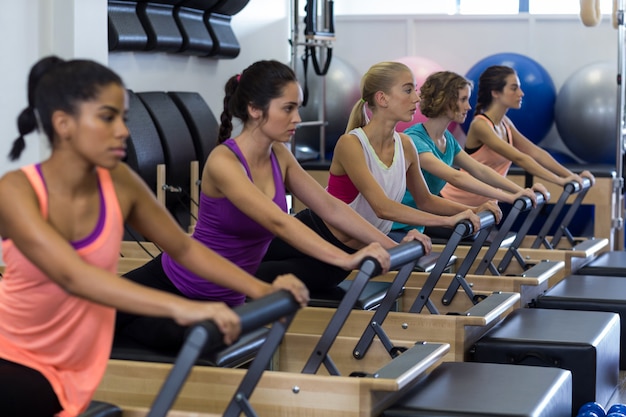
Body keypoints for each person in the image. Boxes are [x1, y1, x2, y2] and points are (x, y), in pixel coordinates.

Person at [0, 56, 309, 417]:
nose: (124, 131)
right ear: (63, 123)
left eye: (123, 118)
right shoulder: (17, 191)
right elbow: (74, 276)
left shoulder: (120, 183)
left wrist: (260, 290)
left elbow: (184, 248)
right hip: (18, 357)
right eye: (107, 117)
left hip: (80, 364)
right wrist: (186, 307)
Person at [118, 59, 416, 352]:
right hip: (177, 282)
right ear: (255, 109)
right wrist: (345, 259)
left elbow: (331, 207)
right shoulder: (224, 161)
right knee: (102, 323)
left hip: (227, 295)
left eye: (297, 108)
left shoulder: (280, 157)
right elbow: (279, 222)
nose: (297, 118)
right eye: (288, 108)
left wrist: (391, 246)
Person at [302, 61, 501, 245]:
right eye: (408, 90)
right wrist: (448, 221)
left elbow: (425, 200)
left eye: (414, 90)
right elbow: (382, 208)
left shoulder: (405, 144)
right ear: (382, 98)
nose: (416, 98)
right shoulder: (351, 144)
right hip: (319, 238)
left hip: (362, 244)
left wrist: (473, 210)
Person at [391, 70, 547, 235]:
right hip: (396, 225)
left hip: (417, 224)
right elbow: (455, 177)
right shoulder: (415, 140)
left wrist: (519, 191)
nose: (469, 106)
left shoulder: (448, 140)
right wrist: (509, 198)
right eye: (463, 100)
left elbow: (479, 170)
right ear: (445, 101)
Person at [441, 65, 594, 206]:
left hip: (484, 204)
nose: (521, 93)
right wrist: (559, 181)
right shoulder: (480, 125)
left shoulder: (505, 123)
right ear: (495, 93)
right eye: (514, 88)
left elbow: (535, 152)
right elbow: (520, 158)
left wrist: (572, 176)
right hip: (454, 200)